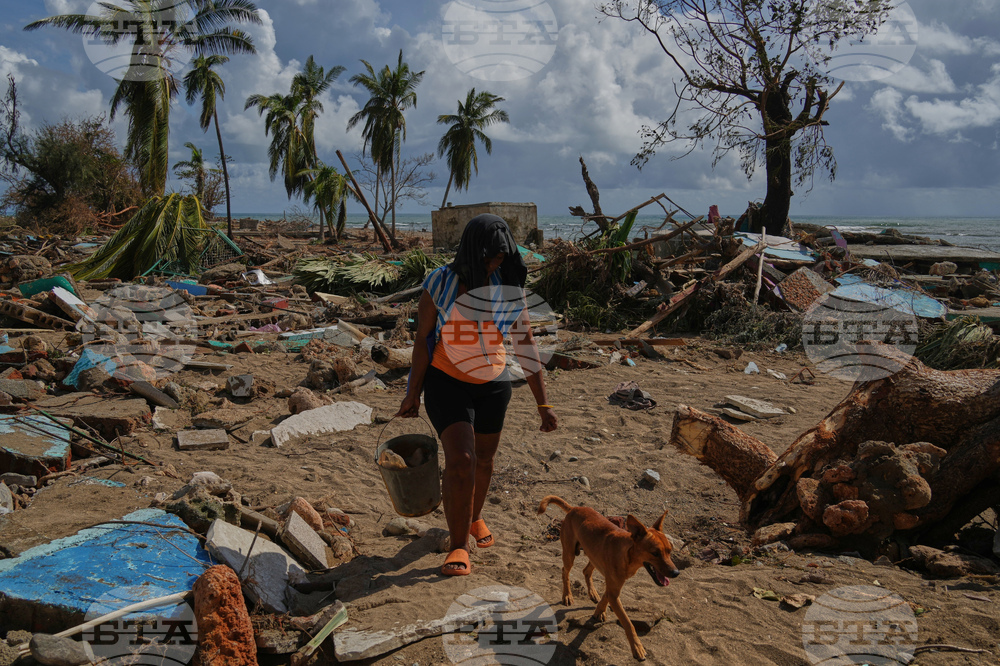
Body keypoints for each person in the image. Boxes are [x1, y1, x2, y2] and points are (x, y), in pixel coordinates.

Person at [396, 214, 557, 575]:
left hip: (493, 384)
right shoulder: (440, 282)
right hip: (446, 380)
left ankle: (475, 516)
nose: (494, 263)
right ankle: (458, 546)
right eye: (489, 258)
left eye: (500, 257)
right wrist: (412, 392)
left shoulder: (508, 286)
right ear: (471, 251)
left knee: (483, 459)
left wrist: (542, 403)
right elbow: (423, 340)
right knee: (462, 460)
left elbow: (526, 344)